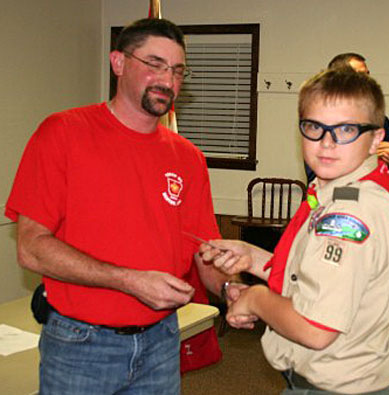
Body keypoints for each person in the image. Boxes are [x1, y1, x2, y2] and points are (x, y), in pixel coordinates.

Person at [5, 18, 228, 395]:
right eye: (154, 64)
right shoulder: (62, 133)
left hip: (161, 341)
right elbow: (31, 247)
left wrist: (235, 290)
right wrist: (129, 280)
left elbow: (203, 250)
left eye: (176, 71)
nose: (167, 80)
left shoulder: (188, 157)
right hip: (80, 344)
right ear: (118, 62)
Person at [200, 68, 389, 393]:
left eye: (346, 129)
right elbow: (319, 279)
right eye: (314, 127)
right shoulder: (346, 191)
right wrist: (254, 260)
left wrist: (256, 298)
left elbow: (316, 328)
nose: (326, 143)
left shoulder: (346, 213)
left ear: (376, 140)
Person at [305, 52, 389, 188]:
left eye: (367, 75)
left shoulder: (379, 121)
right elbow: (317, 179)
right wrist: (368, 155)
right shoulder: (318, 120)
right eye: (360, 76)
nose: (368, 81)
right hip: (333, 204)